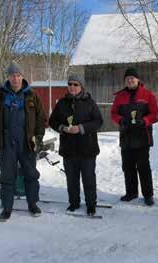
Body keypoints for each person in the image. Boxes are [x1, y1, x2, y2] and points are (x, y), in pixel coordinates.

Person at [0, 61, 46, 222]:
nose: (15, 79)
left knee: (31, 174)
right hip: (6, 143)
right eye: (12, 76)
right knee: (7, 176)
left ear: (22, 77)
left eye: (18, 75)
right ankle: (6, 208)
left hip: (27, 142)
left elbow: (41, 119)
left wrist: (39, 138)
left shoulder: (32, 95)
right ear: (8, 77)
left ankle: (32, 204)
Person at [49, 74, 103, 216]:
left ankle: (91, 205)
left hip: (88, 149)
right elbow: (52, 121)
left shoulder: (90, 102)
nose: (72, 87)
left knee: (88, 179)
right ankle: (74, 203)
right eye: (70, 84)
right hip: (68, 149)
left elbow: (98, 121)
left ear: (81, 86)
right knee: (71, 179)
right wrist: (62, 128)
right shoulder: (62, 103)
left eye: (76, 84)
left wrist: (81, 128)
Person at [110, 67, 158, 206]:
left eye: (132, 78)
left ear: (138, 79)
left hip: (142, 137)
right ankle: (131, 193)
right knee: (128, 167)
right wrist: (120, 120)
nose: (130, 80)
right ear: (125, 81)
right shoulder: (120, 96)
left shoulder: (148, 95)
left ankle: (148, 195)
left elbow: (155, 113)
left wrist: (144, 121)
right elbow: (113, 113)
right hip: (126, 137)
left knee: (143, 167)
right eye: (127, 78)